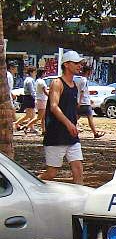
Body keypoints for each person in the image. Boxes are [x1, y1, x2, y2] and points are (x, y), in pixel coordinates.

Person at [40, 50, 85, 185]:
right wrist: (68, 124)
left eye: (80, 63)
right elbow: (54, 106)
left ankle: (80, 203)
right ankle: (29, 186)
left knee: (78, 170)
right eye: (76, 63)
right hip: (56, 135)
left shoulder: (75, 85)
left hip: (71, 136)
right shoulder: (57, 83)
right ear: (66, 64)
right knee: (51, 173)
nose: (79, 66)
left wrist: (75, 123)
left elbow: (72, 108)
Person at [74, 65, 104, 138]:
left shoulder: (77, 79)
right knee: (90, 118)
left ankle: (70, 131)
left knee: (75, 118)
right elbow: (82, 91)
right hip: (84, 103)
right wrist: (80, 102)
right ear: (88, 72)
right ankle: (95, 133)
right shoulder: (84, 80)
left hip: (82, 101)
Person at [14, 65, 37, 133]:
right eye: (35, 72)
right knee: (29, 115)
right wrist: (35, 98)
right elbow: (32, 90)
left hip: (27, 97)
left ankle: (31, 127)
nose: (35, 73)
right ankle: (16, 123)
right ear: (31, 72)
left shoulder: (28, 79)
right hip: (29, 97)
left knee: (31, 114)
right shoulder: (30, 80)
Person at [25, 68, 48, 134]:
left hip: (41, 99)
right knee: (39, 117)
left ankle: (44, 130)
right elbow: (45, 91)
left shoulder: (37, 81)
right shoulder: (41, 81)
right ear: (43, 74)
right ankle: (26, 126)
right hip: (41, 100)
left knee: (43, 117)